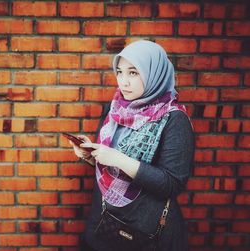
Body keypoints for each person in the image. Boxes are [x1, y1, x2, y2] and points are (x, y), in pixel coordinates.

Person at [69, 40, 194, 251]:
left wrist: (118, 158)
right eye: (119, 72)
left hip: (146, 232)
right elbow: (110, 166)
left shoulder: (174, 119)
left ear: (154, 73)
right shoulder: (115, 108)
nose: (123, 82)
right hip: (105, 225)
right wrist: (91, 155)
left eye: (133, 73)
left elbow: (172, 184)